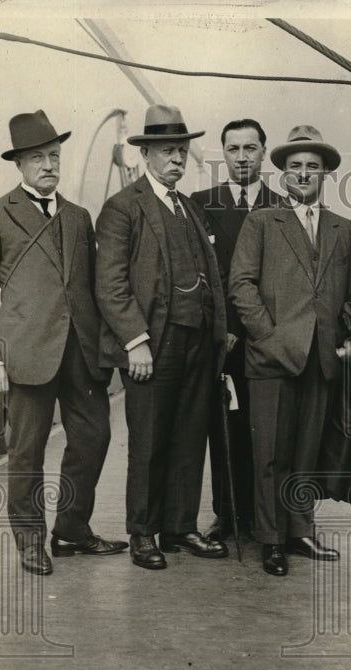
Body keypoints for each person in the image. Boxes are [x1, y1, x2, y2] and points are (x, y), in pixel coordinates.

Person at [0, 109, 126, 576]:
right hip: (27, 355)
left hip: (82, 353)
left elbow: (92, 286)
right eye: (38, 158)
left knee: (95, 438)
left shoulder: (79, 217)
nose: (49, 165)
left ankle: (73, 531)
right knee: (28, 450)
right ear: (19, 164)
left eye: (54, 155)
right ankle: (31, 540)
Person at [228, 125, 351, 577]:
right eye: (295, 167)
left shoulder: (343, 229)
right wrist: (269, 338)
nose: (304, 174)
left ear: (325, 172)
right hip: (272, 359)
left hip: (322, 360)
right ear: (284, 173)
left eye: (312, 167)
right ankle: (271, 540)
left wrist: (350, 338)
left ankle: (300, 530)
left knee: (308, 450)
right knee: (270, 453)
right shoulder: (261, 222)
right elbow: (241, 285)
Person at [95, 105, 229, 569]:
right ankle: (142, 533)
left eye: (183, 151)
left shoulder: (188, 206)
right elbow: (110, 284)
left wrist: (218, 333)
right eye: (169, 151)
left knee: (190, 436)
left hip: (197, 342)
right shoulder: (122, 208)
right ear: (146, 153)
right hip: (154, 344)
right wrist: (136, 341)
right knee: (149, 440)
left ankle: (180, 526)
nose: (178, 159)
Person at [189, 118, 285, 543]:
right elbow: (200, 275)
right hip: (223, 339)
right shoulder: (199, 203)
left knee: (266, 428)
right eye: (234, 149)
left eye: (251, 148)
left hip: (267, 337)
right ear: (223, 154)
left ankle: (265, 515)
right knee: (222, 427)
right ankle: (226, 513)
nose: (242, 157)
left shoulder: (283, 205)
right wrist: (221, 328)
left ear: (264, 152)